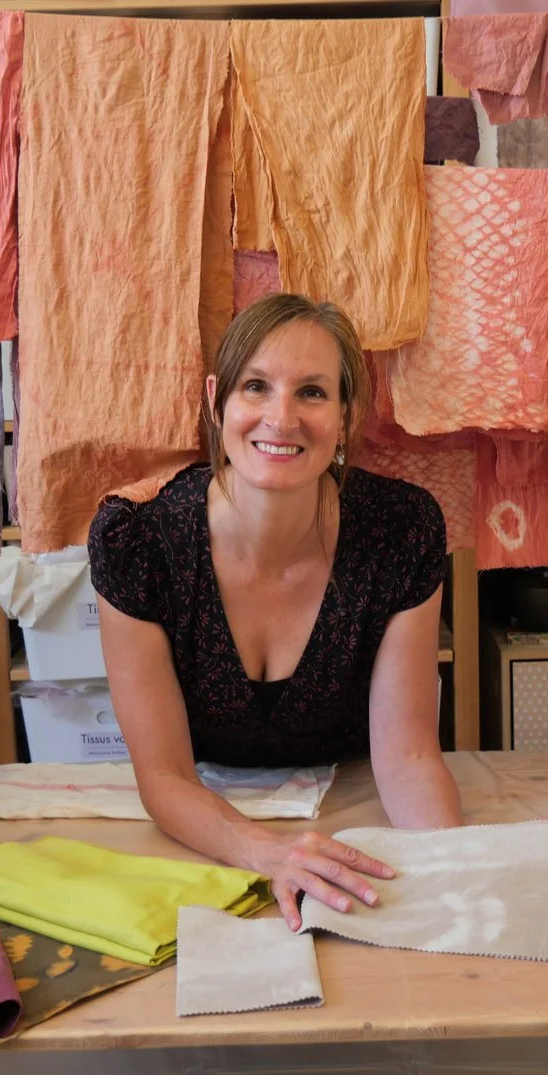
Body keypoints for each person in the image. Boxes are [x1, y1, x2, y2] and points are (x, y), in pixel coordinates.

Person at [89, 293, 464, 930]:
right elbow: (164, 775)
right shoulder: (140, 542)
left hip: (355, 809)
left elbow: (407, 758)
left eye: (313, 393)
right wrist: (269, 853)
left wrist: (466, 867)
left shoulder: (401, 530)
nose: (281, 417)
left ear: (346, 415)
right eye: (256, 386)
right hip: (200, 827)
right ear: (216, 400)